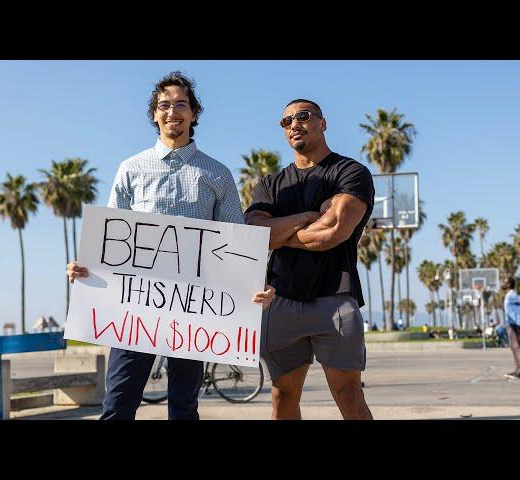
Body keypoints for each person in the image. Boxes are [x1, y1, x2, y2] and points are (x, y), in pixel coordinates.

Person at [66, 71, 275, 420]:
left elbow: (236, 243)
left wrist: (256, 287)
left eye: (181, 104)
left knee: (183, 408)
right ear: (154, 115)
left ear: (193, 113)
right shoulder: (130, 169)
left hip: (194, 311)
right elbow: (109, 240)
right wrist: (85, 267)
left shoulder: (217, 174)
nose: (172, 111)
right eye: (164, 105)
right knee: (116, 407)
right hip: (134, 311)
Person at [244, 98, 375, 420]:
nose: (294, 125)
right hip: (281, 300)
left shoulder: (350, 172)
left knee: (349, 395)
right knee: (282, 396)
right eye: (286, 122)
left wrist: (280, 230)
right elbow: (253, 236)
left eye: (302, 116)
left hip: (334, 299)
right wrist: (306, 215)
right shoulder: (271, 184)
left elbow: (332, 231)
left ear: (322, 122)